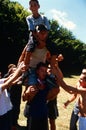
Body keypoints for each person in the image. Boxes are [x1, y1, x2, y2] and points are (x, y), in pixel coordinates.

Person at [22, 62, 60, 130]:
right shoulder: (32, 82)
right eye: (42, 70)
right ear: (37, 71)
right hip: (33, 115)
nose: (44, 73)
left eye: (45, 71)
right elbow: (24, 98)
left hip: (44, 114)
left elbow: (51, 96)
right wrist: (27, 93)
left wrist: (51, 96)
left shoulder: (47, 83)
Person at [0, 62, 25, 130]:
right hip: (2, 116)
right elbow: (7, 83)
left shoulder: (0, 81)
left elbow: (8, 79)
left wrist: (17, 71)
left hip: (7, 112)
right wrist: (19, 70)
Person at [47, 54, 64, 130]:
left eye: (52, 68)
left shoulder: (56, 77)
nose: (50, 69)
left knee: (52, 121)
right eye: (49, 68)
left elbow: (61, 76)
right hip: (43, 100)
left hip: (52, 101)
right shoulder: (44, 75)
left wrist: (56, 66)